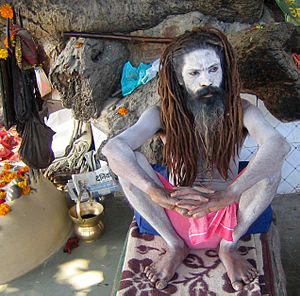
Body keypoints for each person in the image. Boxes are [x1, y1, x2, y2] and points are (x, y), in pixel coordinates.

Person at [102, 27, 290, 291]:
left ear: (224, 70)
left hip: (229, 218)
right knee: (127, 162)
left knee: (272, 164)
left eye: (213, 69)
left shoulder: (242, 110)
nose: (206, 81)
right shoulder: (161, 115)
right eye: (194, 73)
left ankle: (229, 249)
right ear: (179, 78)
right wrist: (155, 192)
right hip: (177, 212)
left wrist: (231, 194)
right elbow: (114, 149)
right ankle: (174, 246)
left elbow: (278, 145)